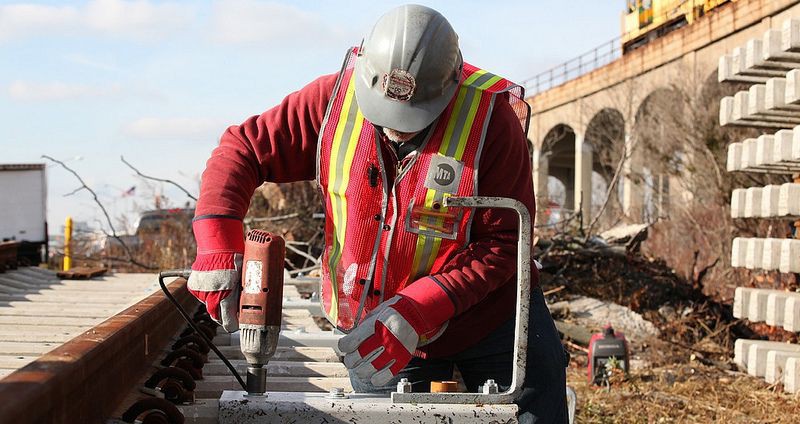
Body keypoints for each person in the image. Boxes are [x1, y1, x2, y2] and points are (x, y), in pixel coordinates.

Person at [187, 4, 567, 422]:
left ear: (450, 86)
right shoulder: (331, 101)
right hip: (380, 328)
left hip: (495, 320)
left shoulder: (490, 120)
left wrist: (420, 306)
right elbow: (241, 149)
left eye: (413, 117)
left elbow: (505, 241)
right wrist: (216, 242)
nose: (397, 127)